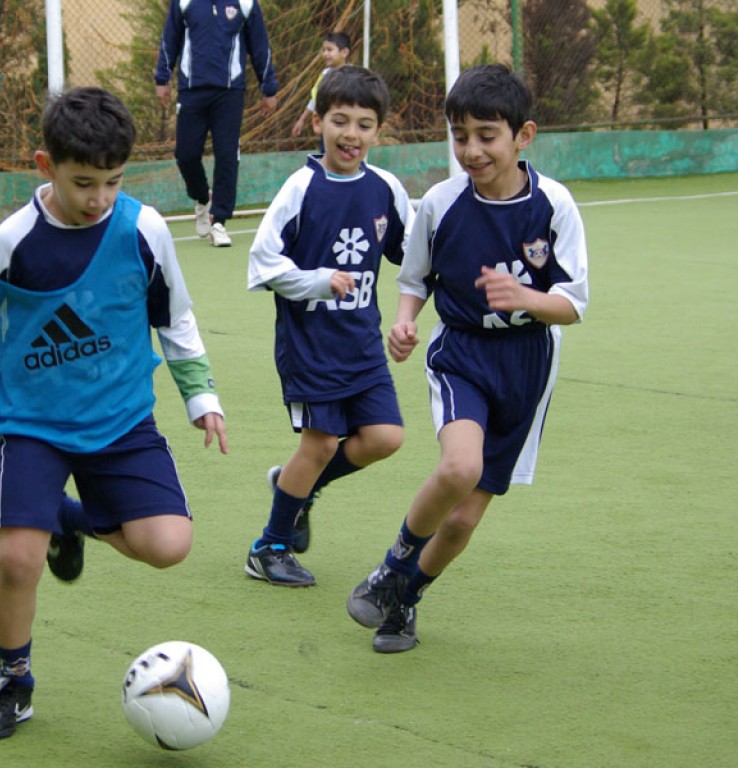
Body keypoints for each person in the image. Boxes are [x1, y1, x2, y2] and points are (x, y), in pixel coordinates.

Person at [0, 87, 228, 738]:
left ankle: (65, 518)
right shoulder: (10, 244)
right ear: (47, 166)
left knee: (169, 546)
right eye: (83, 183)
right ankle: (14, 680)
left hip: (121, 418)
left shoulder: (144, 230)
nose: (99, 198)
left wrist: (200, 396)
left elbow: (175, 317)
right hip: (31, 422)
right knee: (19, 559)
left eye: (113, 181)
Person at [346, 64, 590, 653]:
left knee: (461, 520)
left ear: (523, 136)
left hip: (527, 367)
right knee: (459, 468)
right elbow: (414, 278)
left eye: (486, 136)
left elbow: (572, 304)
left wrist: (527, 298)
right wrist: (405, 321)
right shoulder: (440, 202)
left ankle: (405, 600)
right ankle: (392, 565)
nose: (471, 150)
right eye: (460, 136)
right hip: (461, 353)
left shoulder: (553, 205)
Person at [244, 66, 411, 587]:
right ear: (318, 122)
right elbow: (262, 263)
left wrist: (411, 315)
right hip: (311, 346)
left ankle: (298, 487)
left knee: (384, 437)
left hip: (363, 345)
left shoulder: (386, 189)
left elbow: (414, 257)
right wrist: (317, 281)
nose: (350, 134)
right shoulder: (301, 188)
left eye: (364, 124)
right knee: (318, 446)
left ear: (378, 131)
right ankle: (269, 547)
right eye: (339, 121)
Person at [155, 0, 278, 248]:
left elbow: (260, 44)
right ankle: (202, 197)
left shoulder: (245, 4)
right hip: (192, 90)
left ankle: (219, 221)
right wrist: (162, 77)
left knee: (227, 155)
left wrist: (268, 87)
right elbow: (170, 39)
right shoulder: (184, 3)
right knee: (186, 154)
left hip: (230, 92)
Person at [290, 31, 351, 139]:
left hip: (344, 131)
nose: (325, 54)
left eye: (330, 50)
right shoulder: (325, 74)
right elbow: (315, 98)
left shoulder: (353, 76)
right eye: (324, 50)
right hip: (326, 127)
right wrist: (302, 119)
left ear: (344, 52)